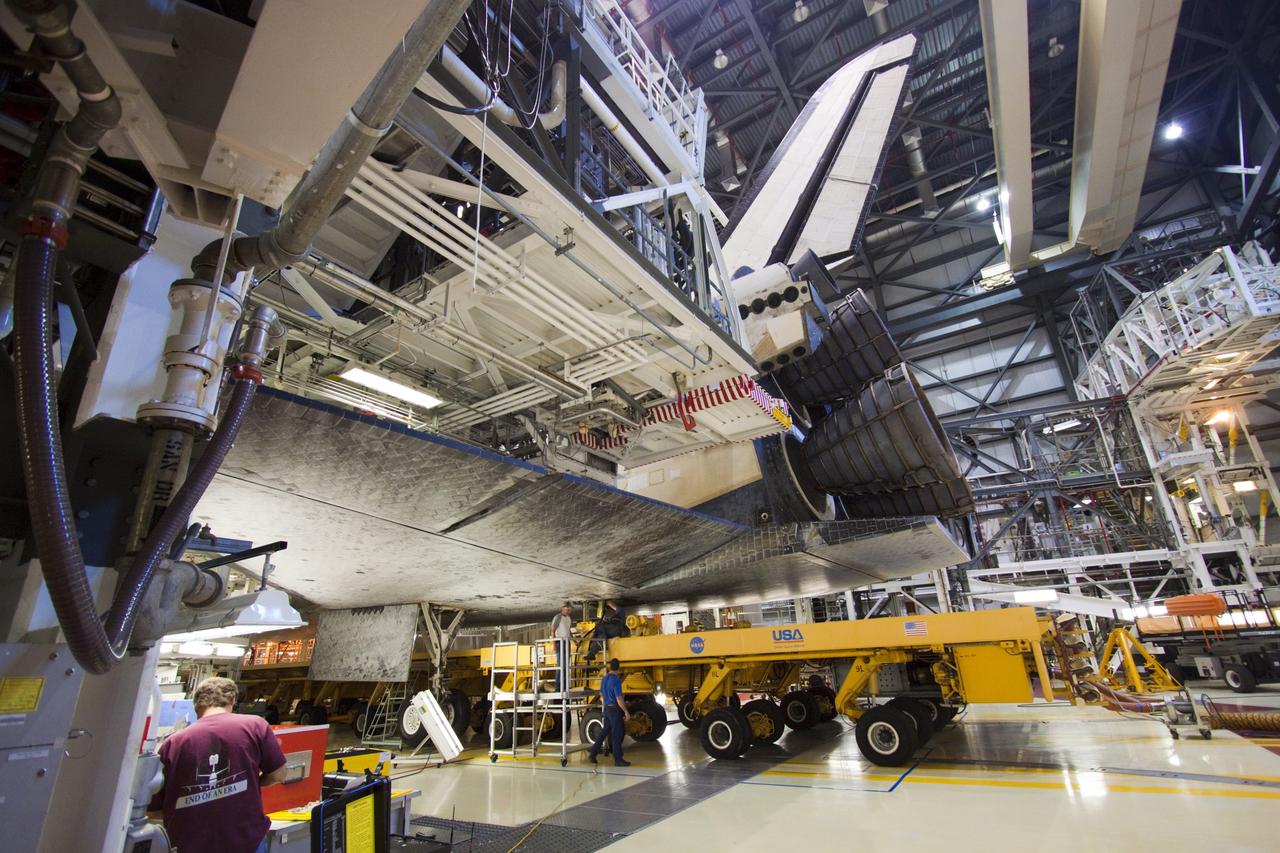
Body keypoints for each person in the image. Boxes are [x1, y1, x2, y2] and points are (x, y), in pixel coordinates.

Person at [151, 676, 287, 853]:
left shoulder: (172, 743)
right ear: (232, 701)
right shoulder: (254, 726)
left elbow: (153, 810)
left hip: (188, 845)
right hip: (245, 841)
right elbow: (279, 774)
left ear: (197, 706)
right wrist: (253, 783)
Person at [588, 658, 631, 767]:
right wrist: (626, 711)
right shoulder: (616, 680)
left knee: (604, 731)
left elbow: (601, 695)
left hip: (607, 708)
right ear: (618, 668)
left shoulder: (604, 679)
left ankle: (593, 753)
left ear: (610, 667)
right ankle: (618, 759)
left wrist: (606, 704)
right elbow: (619, 698)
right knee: (617, 733)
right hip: (614, 710)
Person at [550, 602, 575, 691]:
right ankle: (558, 686)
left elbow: (568, 630)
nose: (568, 611)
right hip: (559, 642)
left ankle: (564, 685)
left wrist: (574, 640)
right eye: (567, 609)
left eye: (569, 610)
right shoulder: (558, 617)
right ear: (562, 609)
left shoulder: (568, 618)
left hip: (567, 642)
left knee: (566, 665)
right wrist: (554, 645)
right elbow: (553, 630)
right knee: (561, 664)